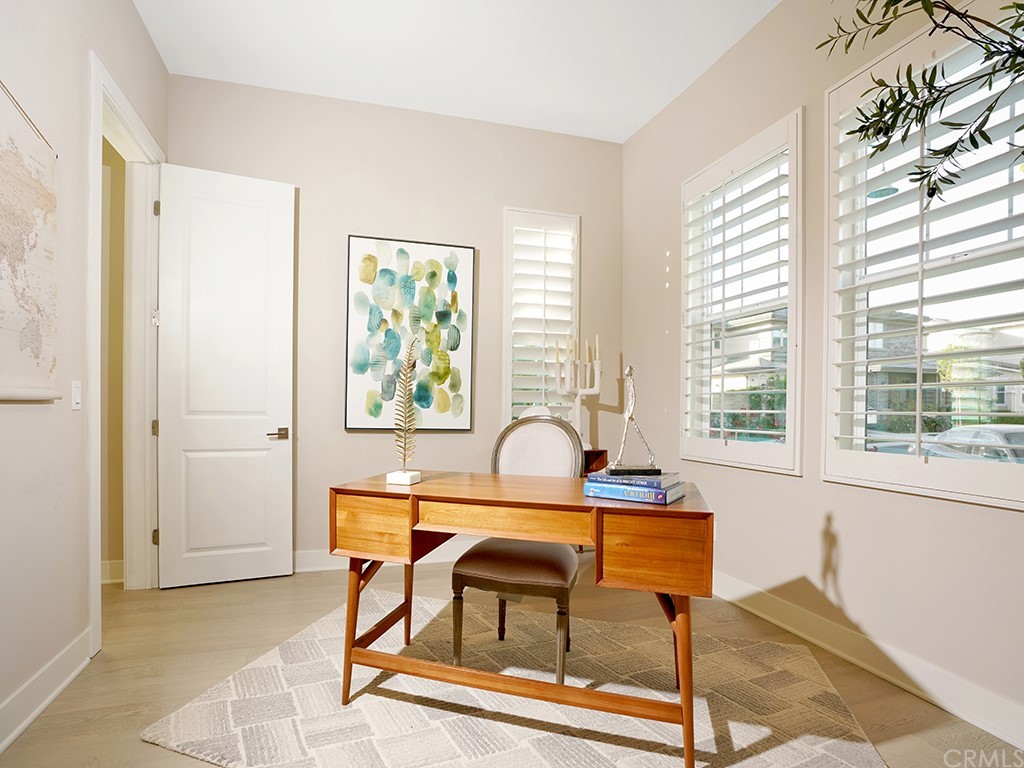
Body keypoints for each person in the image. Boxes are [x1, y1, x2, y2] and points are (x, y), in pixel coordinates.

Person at [610, 365, 656, 468]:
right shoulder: (628, 381)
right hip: (628, 410)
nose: (626, 371)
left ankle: (619, 458)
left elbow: (633, 396)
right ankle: (649, 453)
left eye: (627, 370)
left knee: (625, 435)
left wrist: (630, 410)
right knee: (635, 432)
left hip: (629, 411)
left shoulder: (630, 381)